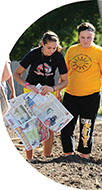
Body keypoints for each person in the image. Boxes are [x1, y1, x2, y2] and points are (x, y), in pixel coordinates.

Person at [60, 22, 102, 159]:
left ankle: (84, 156)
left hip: (91, 96)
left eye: (89, 37)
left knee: (86, 127)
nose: (85, 41)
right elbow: (65, 73)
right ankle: (68, 154)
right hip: (71, 95)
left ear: (93, 36)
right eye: (82, 37)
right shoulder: (71, 50)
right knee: (66, 126)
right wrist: (59, 90)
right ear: (78, 37)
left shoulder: (101, 53)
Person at [14, 31, 68, 160]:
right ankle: (30, 158)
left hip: (49, 93)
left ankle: (46, 157)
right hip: (31, 92)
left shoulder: (58, 57)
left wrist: (54, 88)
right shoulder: (33, 54)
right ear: (43, 44)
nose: (51, 51)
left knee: (49, 125)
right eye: (49, 47)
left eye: (54, 48)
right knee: (30, 125)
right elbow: (17, 74)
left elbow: (65, 81)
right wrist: (28, 85)